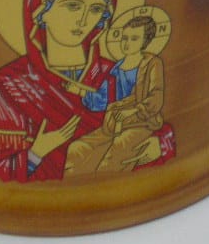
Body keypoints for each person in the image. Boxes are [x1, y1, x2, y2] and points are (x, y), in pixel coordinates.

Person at [0, 0, 118, 182]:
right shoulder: (8, 85)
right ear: (41, 13)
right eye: (72, 6)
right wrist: (37, 152)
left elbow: (152, 127)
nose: (83, 20)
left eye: (95, 9)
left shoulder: (114, 74)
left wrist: (158, 145)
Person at [65, 13, 174, 175]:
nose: (127, 43)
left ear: (145, 41)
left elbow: (156, 96)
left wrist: (133, 110)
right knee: (77, 149)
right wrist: (81, 91)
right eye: (124, 38)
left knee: (116, 151)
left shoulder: (152, 63)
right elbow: (104, 98)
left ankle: (104, 188)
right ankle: (74, 188)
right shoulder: (116, 68)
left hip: (140, 123)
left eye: (134, 39)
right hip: (113, 123)